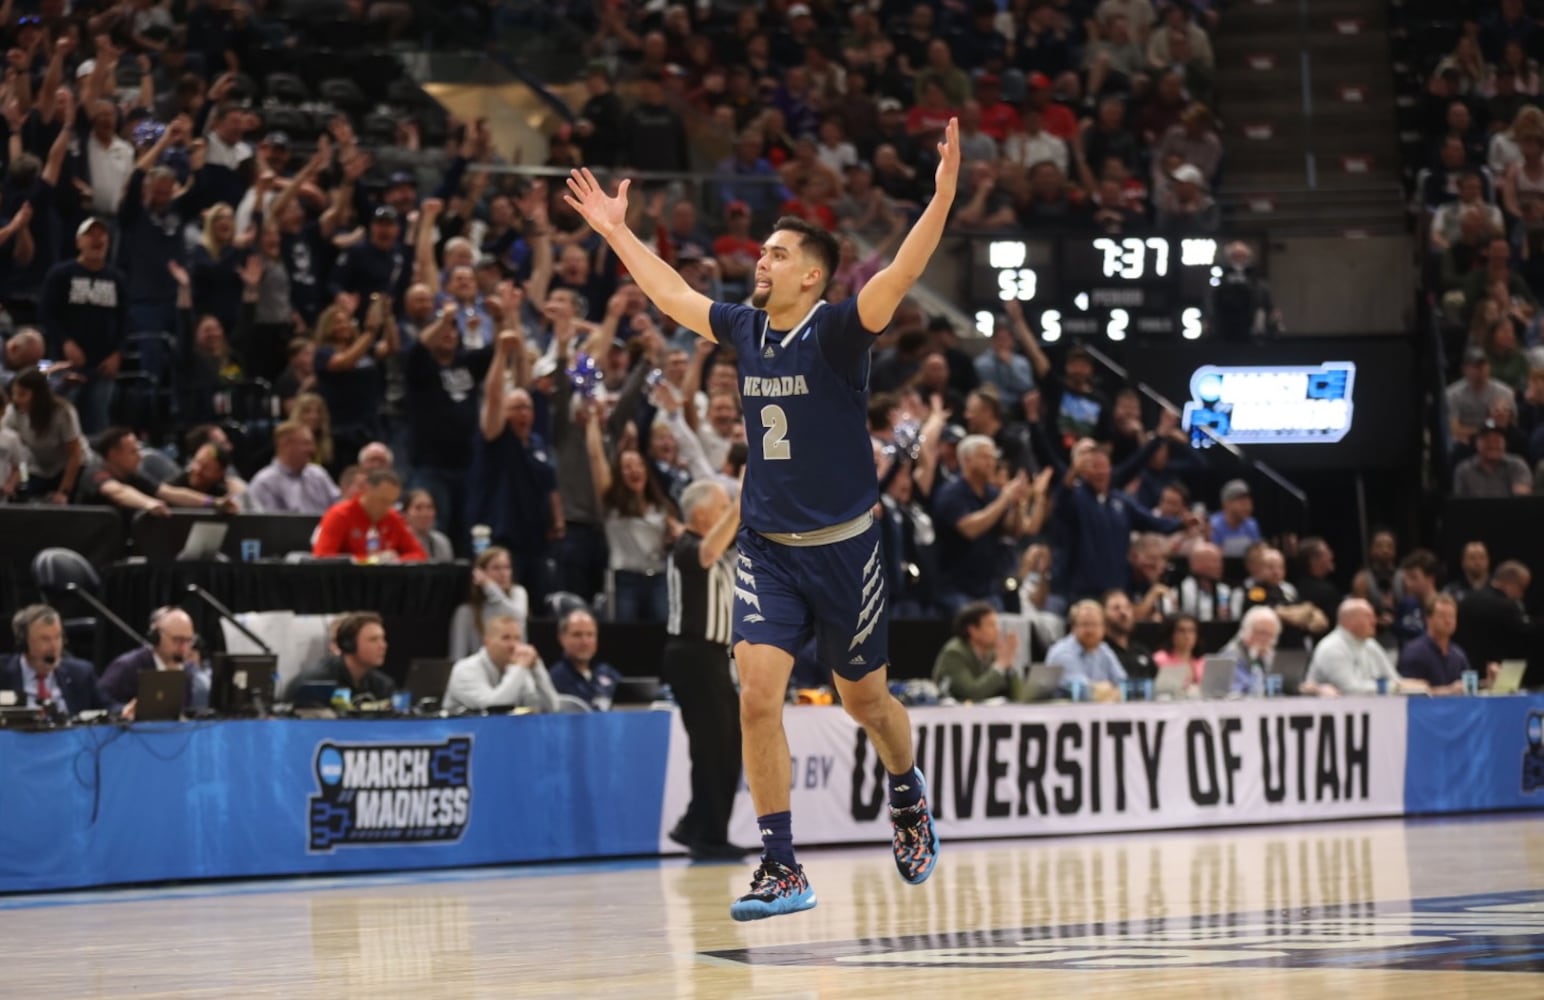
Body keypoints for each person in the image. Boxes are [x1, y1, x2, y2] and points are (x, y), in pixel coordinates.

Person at [562, 119, 963, 919]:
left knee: (866, 704)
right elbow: (671, 294)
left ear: (812, 277)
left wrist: (945, 191)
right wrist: (617, 231)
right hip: (770, 549)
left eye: (777, 254)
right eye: (764, 251)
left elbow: (904, 269)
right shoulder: (745, 328)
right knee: (755, 694)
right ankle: (781, 863)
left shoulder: (842, 332)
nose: (761, 260)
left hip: (847, 550)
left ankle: (907, 791)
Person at [663, 479, 746, 861]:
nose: (728, 510)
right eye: (723, 505)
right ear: (701, 514)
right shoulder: (685, 547)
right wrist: (741, 503)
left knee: (729, 744)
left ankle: (697, 824)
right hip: (692, 656)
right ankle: (707, 835)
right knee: (712, 746)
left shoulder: (718, 550)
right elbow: (710, 550)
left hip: (713, 658)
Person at [97, 607, 212, 716]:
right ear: (155, 637)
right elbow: (99, 701)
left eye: (188, 641)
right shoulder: (127, 666)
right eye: (177, 640)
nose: (183, 648)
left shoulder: (188, 671)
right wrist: (122, 710)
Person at [1, 605, 109, 718]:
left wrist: (126, 711)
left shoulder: (81, 674)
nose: (54, 647)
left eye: (58, 637)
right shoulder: (3, 673)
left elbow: (110, 708)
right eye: (45, 639)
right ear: (23, 642)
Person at [442, 613, 557, 713]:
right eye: (506, 638)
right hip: (464, 733)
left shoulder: (517, 669)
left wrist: (537, 667)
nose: (514, 645)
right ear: (487, 642)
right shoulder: (465, 670)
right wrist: (519, 668)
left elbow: (550, 708)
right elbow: (494, 708)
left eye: (517, 638)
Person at [1, 367, 83, 502]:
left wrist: (64, 492)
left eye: (22, 394)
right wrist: (14, 481)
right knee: (22, 493)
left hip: (69, 467)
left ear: (38, 394)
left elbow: (74, 454)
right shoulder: (13, 413)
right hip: (38, 467)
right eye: (14, 394)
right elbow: (17, 456)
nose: (16, 399)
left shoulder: (63, 413)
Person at [311, 468, 427, 562]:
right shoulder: (339, 515)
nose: (386, 507)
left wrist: (396, 560)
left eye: (391, 503)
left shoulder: (393, 517)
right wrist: (369, 561)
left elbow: (419, 554)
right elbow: (322, 557)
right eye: (382, 500)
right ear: (367, 490)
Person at [1303, 599, 1415, 696]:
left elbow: (1395, 680)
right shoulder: (1332, 647)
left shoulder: (1370, 644)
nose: (1374, 621)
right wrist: (1390, 687)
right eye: (1368, 616)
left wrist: (1416, 687)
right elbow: (1350, 690)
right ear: (1350, 621)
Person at [283, 612, 396, 704]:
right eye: (373, 639)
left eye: (382, 639)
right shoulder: (315, 684)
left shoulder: (383, 685)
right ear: (349, 644)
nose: (383, 645)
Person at [448, 546, 531, 661]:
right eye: (496, 568)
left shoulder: (518, 593)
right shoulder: (466, 612)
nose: (503, 573)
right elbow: (457, 656)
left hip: (514, 667)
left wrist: (489, 587)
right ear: (479, 574)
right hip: (478, 673)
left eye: (507, 567)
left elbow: (517, 616)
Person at [930, 600, 1020, 702]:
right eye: (991, 625)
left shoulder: (992, 652)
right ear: (973, 630)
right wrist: (1001, 664)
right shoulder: (954, 653)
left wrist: (1009, 667)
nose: (997, 630)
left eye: (996, 625)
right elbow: (972, 693)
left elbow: (1019, 696)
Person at [246, 422, 341, 515]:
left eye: (312, 443)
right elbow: (265, 525)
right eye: (306, 444)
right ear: (285, 445)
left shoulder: (318, 475)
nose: (312, 449)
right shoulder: (264, 483)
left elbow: (339, 507)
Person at [1044, 600, 1127, 702]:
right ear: (1073, 627)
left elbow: (1124, 685)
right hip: (1067, 714)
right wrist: (1110, 691)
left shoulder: (1103, 649)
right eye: (1084, 624)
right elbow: (1084, 693)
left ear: (1104, 628)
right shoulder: (1062, 652)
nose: (1090, 630)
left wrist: (1111, 691)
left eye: (1095, 625)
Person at [1398, 593, 1474, 695]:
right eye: (1442, 616)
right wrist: (1448, 690)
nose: (1448, 621)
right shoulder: (1414, 652)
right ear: (1428, 619)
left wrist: (1488, 683)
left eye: (1452, 616)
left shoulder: (1458, 655)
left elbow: (1467, 689)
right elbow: (1405, 691)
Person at [548, 608, 623, 710]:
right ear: (562, 638)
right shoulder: (555, 678)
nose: (585, 642)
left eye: (590, 634)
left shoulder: (607, 672)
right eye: (577, 635)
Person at [1216, 605, 1283, 694]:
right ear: (1246, 631)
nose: (1266, 640)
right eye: (1262, 633)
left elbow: (1275, 690)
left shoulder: (1267, 657)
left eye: (1271, 635)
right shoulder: (1229, 657)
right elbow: (1238, 692)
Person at [1209, 479, 1262, 557]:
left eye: (1249, 502)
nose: (1247, 507)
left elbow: (1257, 552)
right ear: (1226, 504)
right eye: (1242, 503)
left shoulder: (1251, 524)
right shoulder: (1214, 525)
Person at [403, 488, 454, 562]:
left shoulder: (442, 541)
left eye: (429, 507)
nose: (425, 514)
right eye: (418, 508)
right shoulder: (397, 541)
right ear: (405, 514)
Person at [1153, 612, 1205, 683]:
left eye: (1191, 631)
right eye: (1181, 631)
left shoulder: (1202, 662)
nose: (1187, 636)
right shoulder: (1160, 660)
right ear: (1171, 634)